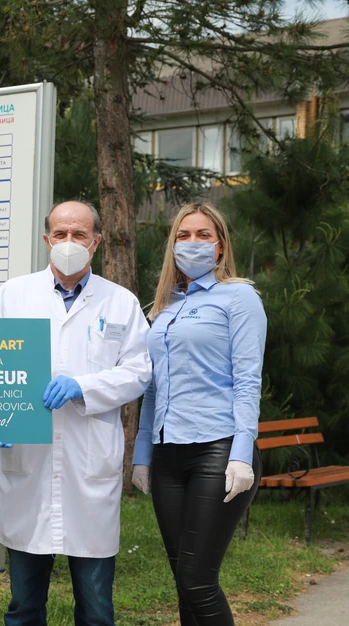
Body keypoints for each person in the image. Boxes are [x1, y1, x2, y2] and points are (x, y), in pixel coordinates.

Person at [0, 200, 153, 626]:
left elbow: (139, 372)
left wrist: (85, 387)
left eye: (79, 234)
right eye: (60, 234)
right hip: (28, 467)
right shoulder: (13, 295)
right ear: (47, 240)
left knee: (96, 611)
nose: (69, 242)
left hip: (88, 470)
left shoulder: (121, 302)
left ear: (96, 242)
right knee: (24, 608)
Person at [131, 202, 267, 626]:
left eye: (203, 235)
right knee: (183, 582)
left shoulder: (239, 297)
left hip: (218, 450)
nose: (192, 242)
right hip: (168, 454)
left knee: (197, 581)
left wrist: (242, 454)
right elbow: (153, 387)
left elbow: (248, 380)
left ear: (220, 247)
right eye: (183, 235)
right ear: (172, 246)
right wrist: (142, 454)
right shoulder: (163, 306)